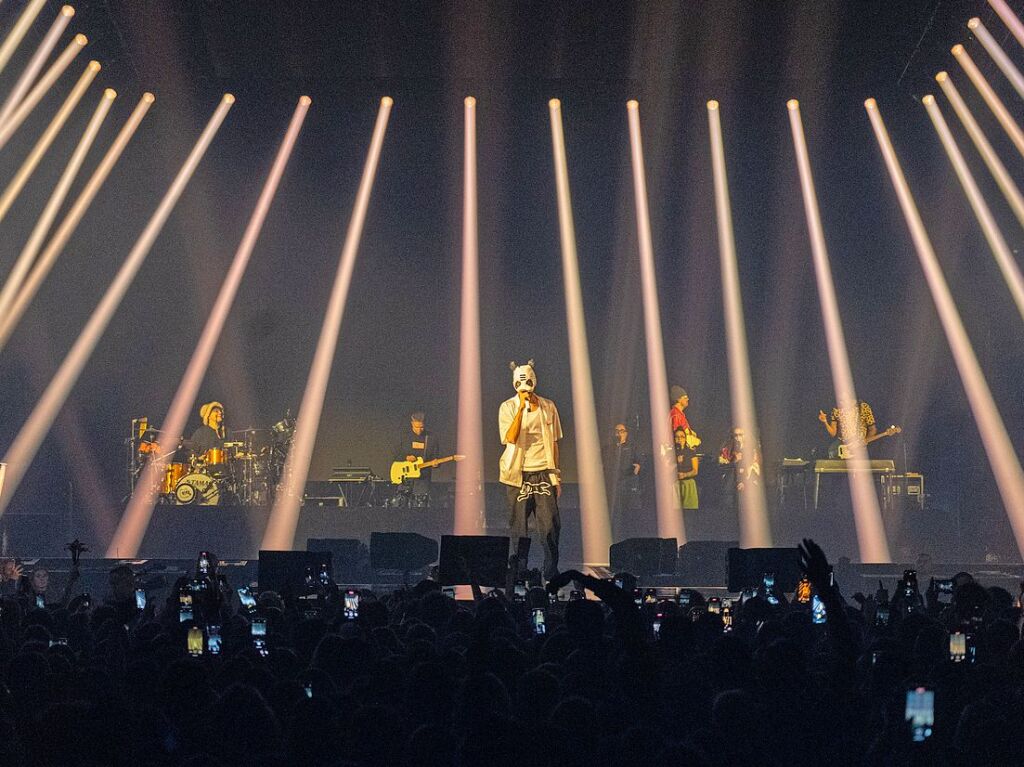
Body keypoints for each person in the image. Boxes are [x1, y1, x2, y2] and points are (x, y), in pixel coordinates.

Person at [499, 360, 563, 581]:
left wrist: (556, 476)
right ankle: (519, 570)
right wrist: (521, 409)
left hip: (544, 472)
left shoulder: (548, 407)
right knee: (519, 527)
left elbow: (554, 443)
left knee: (550, 525)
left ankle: (551, 570)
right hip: (518, 474)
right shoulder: (507, 407)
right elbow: (510, 437)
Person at [392, 411, 436, 507]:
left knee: (420, 505)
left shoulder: (431, 438)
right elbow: (395, 454)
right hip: (406, 476)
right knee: (401, 503)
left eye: (422, 427)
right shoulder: (404, 436)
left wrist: (436, 463)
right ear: (412, 424)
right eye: (416, 427)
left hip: (423, 478)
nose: (419, 430)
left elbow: (435, 457)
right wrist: (406, 457)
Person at [607, 422, 641, 541]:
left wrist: (633, 470)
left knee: (629, 512)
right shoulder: (609, 448)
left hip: (628, 483)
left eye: (622, 431)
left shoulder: (632, 447)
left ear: (626, 433)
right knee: (615, 512)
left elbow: (637, 465)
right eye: (617, 431)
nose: (619, 433)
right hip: (613, 485)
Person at [718, 426, 761, 513]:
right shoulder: (727, 448)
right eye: (735, 435)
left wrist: (744, 481)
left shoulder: (752, 449)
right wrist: (734, 460)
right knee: (729, 507)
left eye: (740, 435)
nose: (738, 438)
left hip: (747, 484)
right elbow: (721, 464)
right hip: (730, 484)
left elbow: (754, 467)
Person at [674, 426, 699, 511]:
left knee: (689, 510)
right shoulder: (671, 453)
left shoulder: (691, 452)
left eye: (682, 437)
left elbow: (695, 471)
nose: (679, 439)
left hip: (688, 484)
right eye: (677, 437)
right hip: (675, 484)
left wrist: (685, 475)